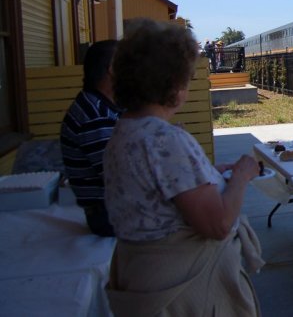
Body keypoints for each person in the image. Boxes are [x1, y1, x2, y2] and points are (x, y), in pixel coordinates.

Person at [104, 19, 262, 316]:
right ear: (174, 86)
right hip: (183, 292)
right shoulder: (166, 139)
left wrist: (211, 174)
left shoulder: (124, 132)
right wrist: (241, 176)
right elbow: (218, 225)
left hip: (141, 278)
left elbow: (158, 190)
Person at [59, 40, 121, 237]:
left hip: (112, 211)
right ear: (112, 69)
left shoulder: (99, 105)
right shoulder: (95, 115)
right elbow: (120, 176)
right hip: (109, 216)